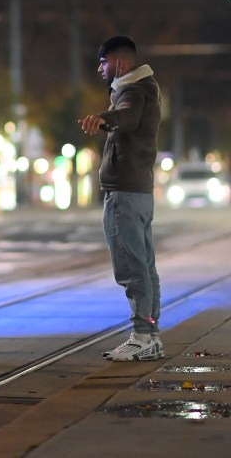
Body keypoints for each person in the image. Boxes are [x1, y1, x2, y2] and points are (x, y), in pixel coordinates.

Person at [78, 35, 163, 362]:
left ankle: (142, 334)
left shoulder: (133, 91)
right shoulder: (145, 88)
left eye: (103, 62)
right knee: (144, 265)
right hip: (138, 190)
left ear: (119, 63)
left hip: (125, 193)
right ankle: (150, 335)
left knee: (130, 265)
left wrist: (105, 118)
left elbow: (127, 115)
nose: (100, 69)